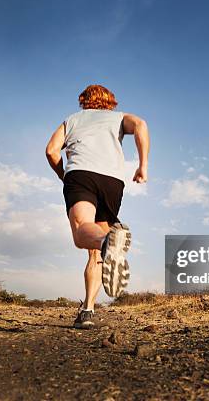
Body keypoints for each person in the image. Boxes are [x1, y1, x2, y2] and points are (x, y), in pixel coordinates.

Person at [45, 84, 150, 329]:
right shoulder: (119, 118)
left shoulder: (72, 120)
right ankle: (87, 310)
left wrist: (63, 175)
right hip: (113, 182)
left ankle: (107, 242)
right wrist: (143, 166)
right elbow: (141, 125)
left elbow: (51, 151)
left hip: (81, 175)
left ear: (83, 100)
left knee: (84, 232)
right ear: (111, 101)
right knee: (96, 249)